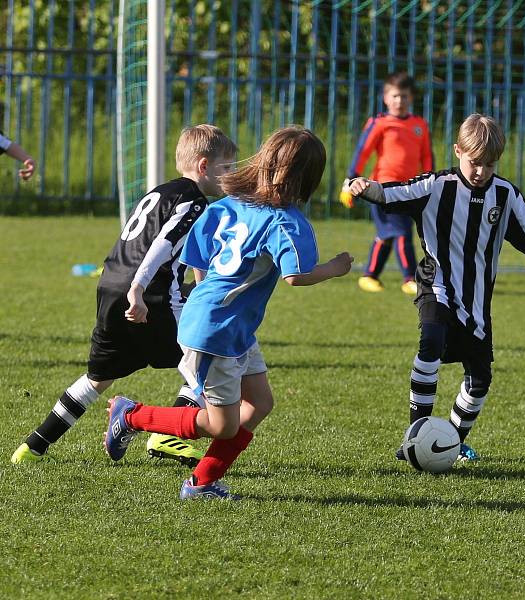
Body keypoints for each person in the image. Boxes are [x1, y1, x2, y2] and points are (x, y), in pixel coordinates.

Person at [104, 126, 353, 500]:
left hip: (229, 327)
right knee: (221, 425)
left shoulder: (228, 204)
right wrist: (335, 268)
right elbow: (296, 276)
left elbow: (196, 261)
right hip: (217, 332)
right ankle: (132, 415)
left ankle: (201, 483)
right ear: (307, 178)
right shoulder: (286, 221)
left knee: (260, 404)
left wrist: (213, 298)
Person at [349, 113, 525, 462]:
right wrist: (366, 187)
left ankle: (449, 441)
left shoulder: (506, 194)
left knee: (480, 378)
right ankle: (417, 436)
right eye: (474, 162)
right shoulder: (436, 186)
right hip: (436, 283)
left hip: (477, 301)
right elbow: (393, 193)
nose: (481, 171)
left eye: (489, 164)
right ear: (457, 151)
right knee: (431, 343)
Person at [11, 124, 237, 464]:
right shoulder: (193, 202)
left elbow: (187, 253)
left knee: (98, 377)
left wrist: (196, 286)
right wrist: (139, 288)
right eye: (227, 168)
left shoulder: (159, 193)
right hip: (149, 293)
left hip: (110, 287)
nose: (230, 175)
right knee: (204, 363)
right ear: (203, 166)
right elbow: (164, 244)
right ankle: (165, 435)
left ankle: (34, 445)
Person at [342, 71, 433, 296]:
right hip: (383, 188)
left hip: (410, 188)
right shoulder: (379, 123)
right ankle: (410, 278)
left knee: (387, 234)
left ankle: (369, 275)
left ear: (411, 98)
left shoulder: (419, 125)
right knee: (401, 231)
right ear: (385, 98)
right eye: (394, 96)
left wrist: (432, 182)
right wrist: (350, 180)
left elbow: (427, 157)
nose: (399, 101)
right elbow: (363, 151)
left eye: (404, 96)